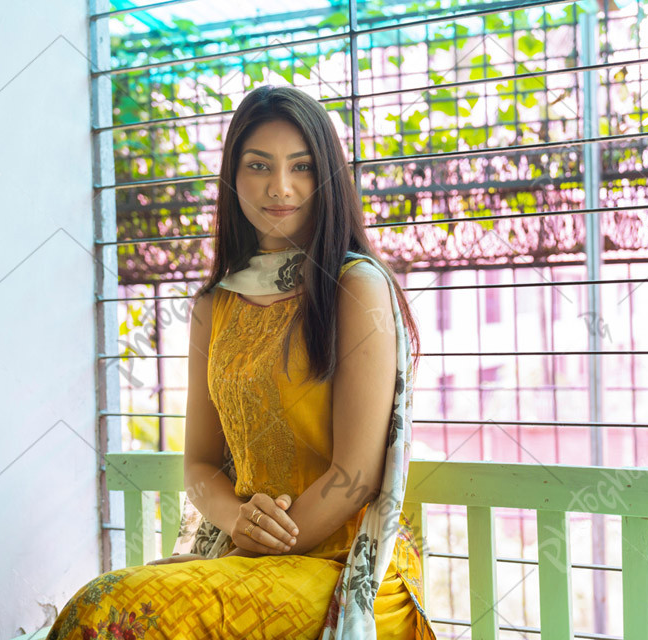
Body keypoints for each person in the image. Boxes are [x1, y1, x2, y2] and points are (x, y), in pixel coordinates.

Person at [46, 85, 437, 639]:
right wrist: (239, 526)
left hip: (341, 564)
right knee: (108, 607)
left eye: (301, 167)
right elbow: (201, 467)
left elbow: (355, 476)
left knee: (110, 610)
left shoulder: (354, 287)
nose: (280, 187)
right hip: (245, 553)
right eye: (259, 166)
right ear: (234, 176)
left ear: (325, 178)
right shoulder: (215, 304)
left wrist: (267, 542)